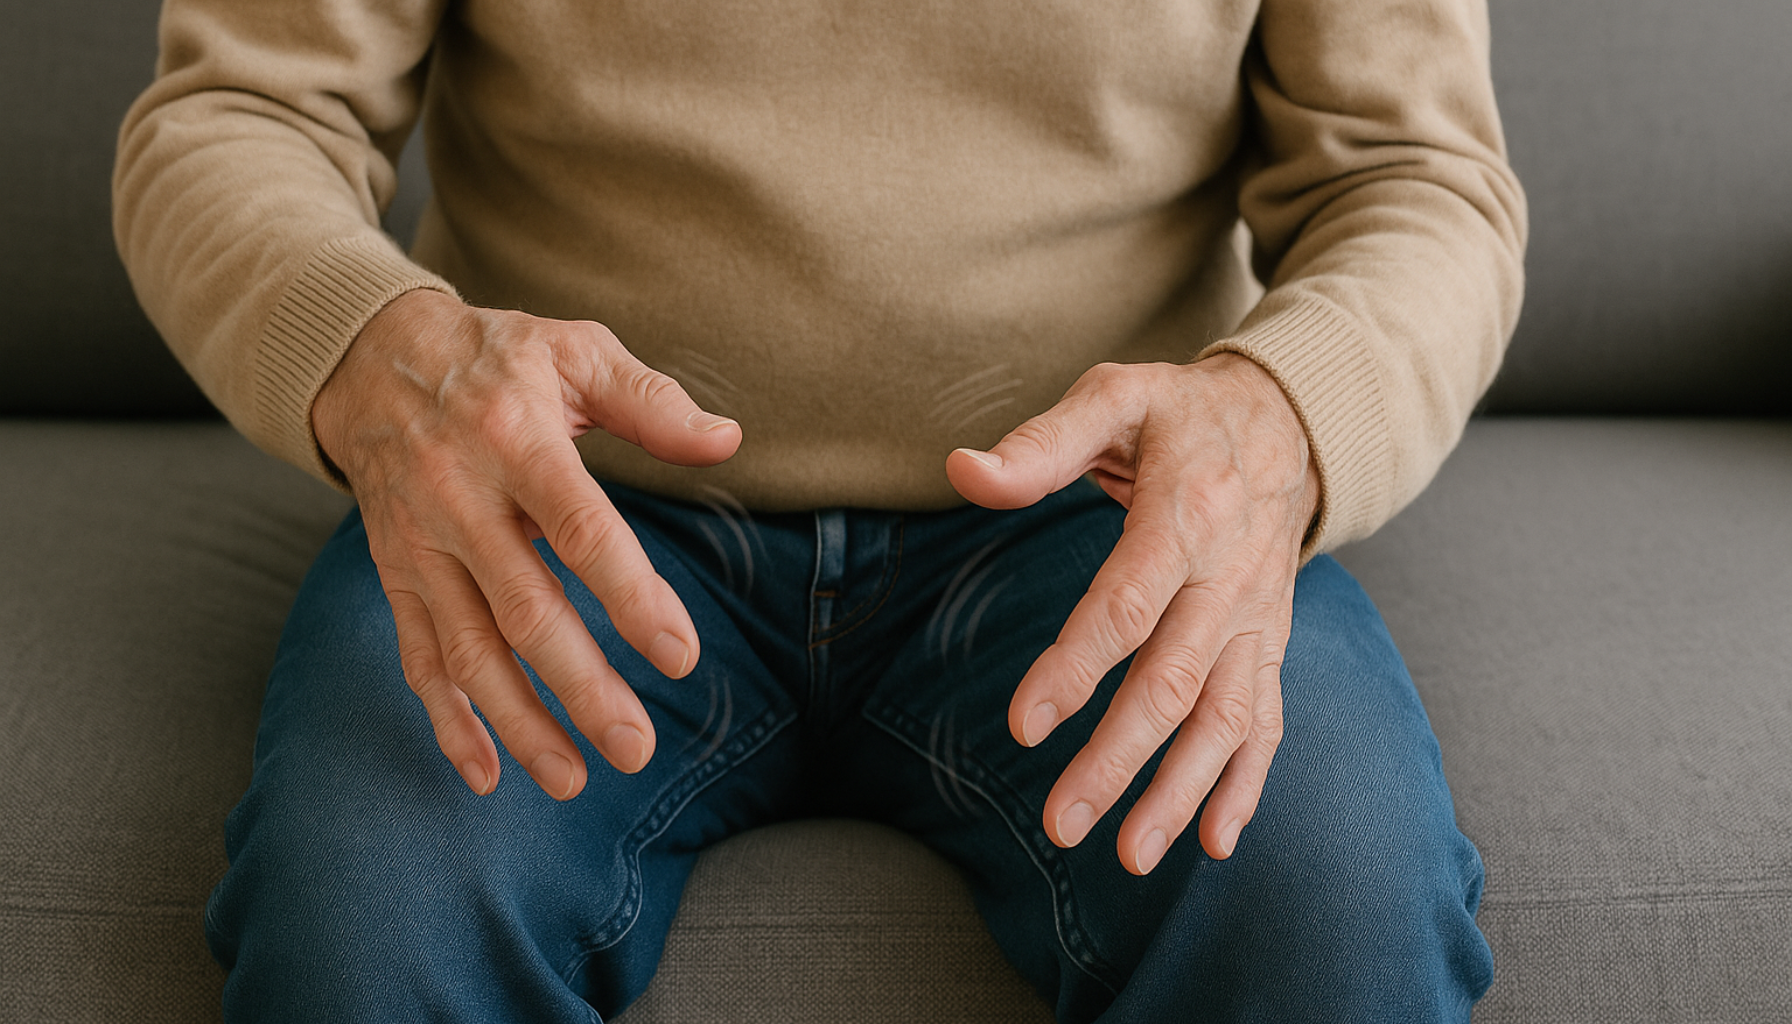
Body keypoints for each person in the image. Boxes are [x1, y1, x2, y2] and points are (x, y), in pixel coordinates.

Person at [114, 0, 1524, 1019]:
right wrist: (382, 354)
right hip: (571, 496)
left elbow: (1415, 176)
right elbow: (239, 114)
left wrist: (1278, 411)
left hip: (1103, 514)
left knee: (1335, 911)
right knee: (364, 920)